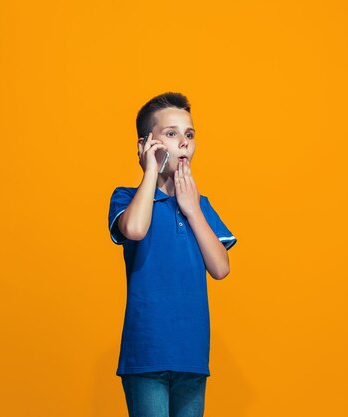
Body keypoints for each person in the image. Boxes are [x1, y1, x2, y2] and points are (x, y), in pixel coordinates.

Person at [107, 92, 237, 417]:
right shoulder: (127, 198)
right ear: (145, 145)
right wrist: (150, 173)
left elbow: (221, 267)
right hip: (146, 354)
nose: (183, 142)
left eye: (189, 134)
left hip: (191, 355)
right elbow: (134, 230)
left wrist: (192, 210)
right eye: (171, 133)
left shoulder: (200, 205)